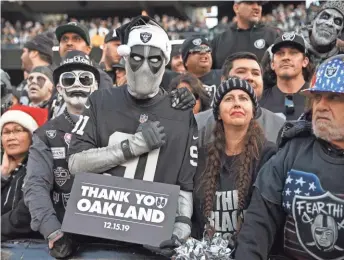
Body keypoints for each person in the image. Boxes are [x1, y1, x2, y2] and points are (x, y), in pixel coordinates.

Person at [68, 15, 198, 258]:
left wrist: (180, 230)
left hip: (152, 239)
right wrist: (132, 146)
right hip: (98, 236)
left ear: (166, 61)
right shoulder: (100, 101)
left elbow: (185, 185)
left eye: (154, 59)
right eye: (137, 59)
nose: (144, 67)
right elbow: (75, 163)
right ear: (125, 57)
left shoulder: (180, 112)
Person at [235, 54, 344, 260]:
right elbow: (259, 222)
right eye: (317, 97)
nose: (321, 105)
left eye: (334, 97)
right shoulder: (292, 150)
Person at [23, 50, 100, 259]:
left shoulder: (115, 128)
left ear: (95, 86)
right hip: (65, 237)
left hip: (111, 237)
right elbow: (35, 184)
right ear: (59, 88)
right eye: (68, 79)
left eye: (85, 79)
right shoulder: (46, 134)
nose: (77, 84)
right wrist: (53, 231)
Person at [192, 77, 277, 247]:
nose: (237, 103)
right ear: (218, 113)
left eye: (244, 98)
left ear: (253, 111)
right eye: (229, 99)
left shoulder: (270, 155)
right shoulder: (200, 156)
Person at [196, 52, 285, 147]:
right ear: (223, 80)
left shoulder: (280, 126)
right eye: (241, 72)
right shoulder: (198, 124)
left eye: (255, 73)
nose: (250, 77)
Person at [1, 105, 48, 241]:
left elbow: (26, 216)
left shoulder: (40, 167)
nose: (11, 137)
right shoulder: (7, 170)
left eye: (18, 131)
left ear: (32, 135)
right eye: (6, 132)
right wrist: (3, 176)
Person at [211, 0, 280, 69]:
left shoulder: (273, 36)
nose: (256, 7)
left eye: (259, 4)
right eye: (250, 3)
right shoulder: (219, 41)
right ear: (236, 8)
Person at [260, 32, 311, 120]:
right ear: (272, 64)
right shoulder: (259, 101)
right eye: (280, 53)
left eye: (293, 53)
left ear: (305, 61)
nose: (285, 58)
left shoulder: (318, 97)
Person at [55, 21, 113, 90]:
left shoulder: (100, 77)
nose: (69, 43)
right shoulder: (51, 75)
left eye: (76, 39)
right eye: (65, 39)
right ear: (59, 49)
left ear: (88, 49)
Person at [297, 0, 344, 65]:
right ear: (313, 21)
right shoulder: (292, 45)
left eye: (337, 22)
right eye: (325, 17)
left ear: (340, 32)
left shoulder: (340, 57)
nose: (330, 23)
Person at [181, 36, 222, 103]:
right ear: (185, 61)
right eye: (197, 50)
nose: (203, 53)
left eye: (207, 50)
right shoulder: (178, 83)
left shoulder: (224, 76)